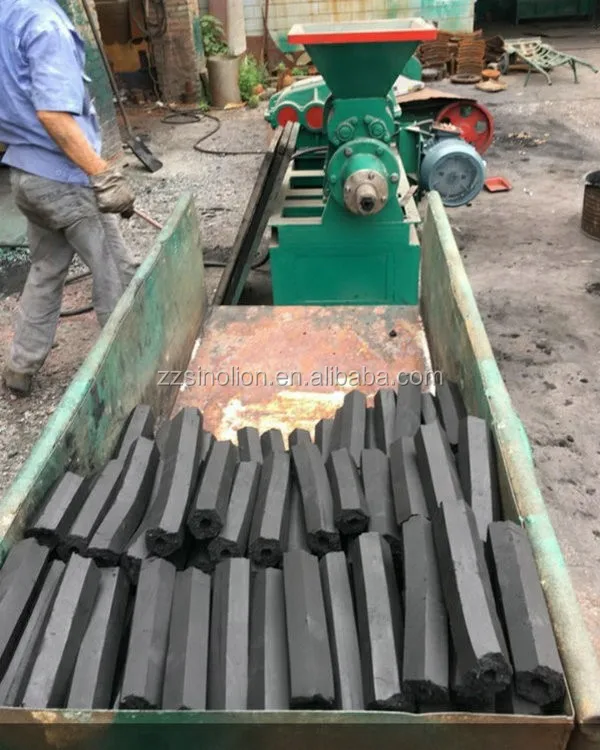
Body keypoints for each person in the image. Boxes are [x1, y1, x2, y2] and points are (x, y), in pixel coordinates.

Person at [0, 0, 138, 397]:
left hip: (26, 175)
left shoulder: (7, 14)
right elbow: (53, 115)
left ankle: (20, 366)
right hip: (65, 178)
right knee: (116, 271)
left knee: (46, 269)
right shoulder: (46, 25)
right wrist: (102, 175)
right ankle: (132, 367)